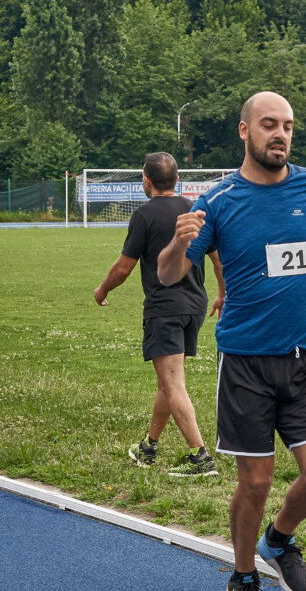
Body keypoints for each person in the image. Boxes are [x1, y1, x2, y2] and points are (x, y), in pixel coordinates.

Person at [157, 92, 306, 591]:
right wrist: (177, 244)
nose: (280, 135)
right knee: (256, 481)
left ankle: (279, 539)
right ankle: (242, 578)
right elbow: (169, 274)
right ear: (244, 131)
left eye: (287, 126)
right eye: (269, 125)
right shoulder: (218, 203)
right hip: (245, 362)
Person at [93, 151, 222, 477]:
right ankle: (148, 446)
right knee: (169, 380)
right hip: (195, 305)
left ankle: (201, 458)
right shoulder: (195, 211)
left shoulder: (144, 215)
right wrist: (224, 292)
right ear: (177, 180)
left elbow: (124, 267)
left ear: (146, 181)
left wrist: (102, 290)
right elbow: (218, 257)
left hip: (165, 309)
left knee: (173, 382)